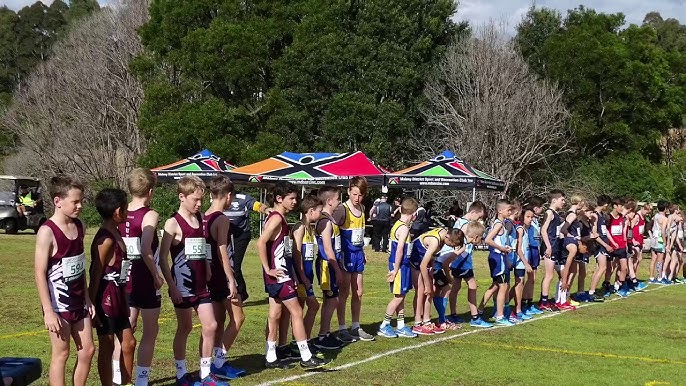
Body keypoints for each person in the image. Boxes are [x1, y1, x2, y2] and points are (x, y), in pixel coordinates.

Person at [158, 176, 227, 386]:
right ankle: (181, 374)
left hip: (201, 285)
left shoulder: (201, 220)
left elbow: (203, 247)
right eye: (195, 200)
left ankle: (205, 373)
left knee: (211, 325)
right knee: (185, 328)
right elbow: (162, 258)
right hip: (182, 286)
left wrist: (206, 266)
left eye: (201, 200)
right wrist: (171, 286)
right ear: (182, 197)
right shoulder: (173, 223)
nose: (199, 204)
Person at [257, 182, 330, 370]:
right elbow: (261, 242)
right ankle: (305, 355)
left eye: (296, 198)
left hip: (278, 274)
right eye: (291, 198)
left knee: (275, 314)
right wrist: (268, 269)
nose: (295, 202)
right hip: (279, 274)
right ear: (279, 199)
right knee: (297, 312)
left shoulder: (278, 218)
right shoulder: (276, 219)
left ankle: (271, 355)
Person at [34, 176, 95, 386]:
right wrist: (48, 311)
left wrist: (87, 297)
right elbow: (39, 272)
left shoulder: (80, 225)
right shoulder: (47, 232)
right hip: (58, 305)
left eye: (81, 201)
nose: (80, 206)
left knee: (87, 350)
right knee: (62, 353)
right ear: (58, 201)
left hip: (79, 301)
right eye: (75, 201)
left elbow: (80, 264)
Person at [116, 168, 163, 386]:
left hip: (124, 277)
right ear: (150, 191)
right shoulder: (150, 215)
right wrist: (156, 274)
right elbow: (146, 248)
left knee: (126, 328)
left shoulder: (119, 212)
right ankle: (141, 379)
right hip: (144, 277)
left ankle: (118, 377)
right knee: (150, 330)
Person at [89, 188, 135, 386]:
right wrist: (91, 305)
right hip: (105, 298)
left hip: (118, 295)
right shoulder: (105, 239)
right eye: (126, 208)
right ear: (117, 212)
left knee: (129, 342)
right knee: (106, 346)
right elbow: (95, 273)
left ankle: (126, 382)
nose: (128, 213)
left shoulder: (116, 231)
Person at [204, 176, 246, 380]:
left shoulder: (203, 216)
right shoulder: (221, 219)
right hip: (220, 275)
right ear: (229, 196)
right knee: (238, 318)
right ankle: (218, 362)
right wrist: (232, 280)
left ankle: (215, 363)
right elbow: (223, 251)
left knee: (219, 321)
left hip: (209, 275)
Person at [334, 177, 375, 342]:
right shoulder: (342, 209)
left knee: (358, 292)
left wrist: (363, 251)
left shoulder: (363, 208)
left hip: (358, 255)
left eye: (360, 195)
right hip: (346, 255)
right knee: (344, 292)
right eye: (355, 194)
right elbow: (331, 228)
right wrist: (337, 252)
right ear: (349, 191)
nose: (357, 198)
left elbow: (360, 231)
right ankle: (342, 328)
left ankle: (356, 326)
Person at [377, 197, 419, 338]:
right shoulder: (403, 229)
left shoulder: (398, 224)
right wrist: (395, 270)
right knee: (398, 297)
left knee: (401, 296)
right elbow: (400, 249)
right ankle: (385, 324)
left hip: (402, 265)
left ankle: (400, 325)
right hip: (399, 266)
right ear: (414, 215)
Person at [410, 226, 464, 335]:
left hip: (426, 263)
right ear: (448, 237)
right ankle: (417, 323)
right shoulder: (435, 241)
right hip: (416, 261)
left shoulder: (444, 237)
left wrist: (432, 277)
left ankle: (426, 321)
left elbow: (432, 258)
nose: (451, 247)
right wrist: (427, 285)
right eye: (452, 245)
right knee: (421, 291)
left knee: (431, 291)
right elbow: (422, 265)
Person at [312, 186, 345, 351]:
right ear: (330, 201)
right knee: (332, 300)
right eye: (338, 198)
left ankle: (325, 333)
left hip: (332, 264)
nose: (339, 201)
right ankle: (322, 335)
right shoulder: (325, 222)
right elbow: (327, 248)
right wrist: (337, 269)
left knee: (331, 300)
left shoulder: (329, 219)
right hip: (327, 266)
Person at [447, 201, 490, 328]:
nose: (480, 220)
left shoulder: (463, 223)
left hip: (463, 260)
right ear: (473, 212)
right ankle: (475, 317)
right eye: (479, 217)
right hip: (462, 260)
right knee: (472, 286)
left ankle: (453, 314)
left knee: (456, 287)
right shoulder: (463, 224)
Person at [223, 191, 271, 302]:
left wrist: (265, 209)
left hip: (241, 235)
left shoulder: (243, 197)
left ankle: (241, 293)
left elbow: (256, 205)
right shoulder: (219, 196)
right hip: (225, 235)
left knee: (235, 265)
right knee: (225, 264)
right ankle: (229, 291)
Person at [477, 199, 514, 326]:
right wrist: (502, 249)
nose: (510, 212)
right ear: (500, 210)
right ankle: (500, 316)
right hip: (498, 258)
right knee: (503, 287)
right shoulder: (498, 224)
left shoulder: (501, 223)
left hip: (500, 258)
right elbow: (488, 240)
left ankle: (480, 309)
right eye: (508, 209)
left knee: (495, 286)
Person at [292, 195, 323, 340]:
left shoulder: (310, 229)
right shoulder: (299, 228)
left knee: (305, 307)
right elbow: (296, 254)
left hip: (307, 276)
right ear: (311, 211)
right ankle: (300, 340)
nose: (321, 214)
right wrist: (302, 277)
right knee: (311, 306)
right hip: (301, 277)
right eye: (319, 211)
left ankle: (303, 339)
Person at [538, 190, 566, 312]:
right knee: (549, 275)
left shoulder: (556, 214)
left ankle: (546, 300)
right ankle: (544, 301)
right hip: (550, 248)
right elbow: (543, 230)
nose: (564, 202)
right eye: (562, 200)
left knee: (553, 275)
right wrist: (548, 246)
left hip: (555, 246)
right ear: (554, 200)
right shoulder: (549, 213)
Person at [587, 195, 613, 302]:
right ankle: (592, 292)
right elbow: (594, 233)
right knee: (602, 268)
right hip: (600, 245)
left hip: (604, 243)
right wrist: (605, 245)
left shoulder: (602, 215)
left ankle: (592, 291)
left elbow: (604, 230)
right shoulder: (595, 215)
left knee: (599, 268)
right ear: (605, 204)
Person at [523, 197, 544, 315]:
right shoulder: (527, 221)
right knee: (530, 278)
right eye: (541, 208)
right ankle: (523, 302)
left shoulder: (535, 221)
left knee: (533, 279)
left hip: (535, 249)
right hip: (530, 249)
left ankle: (529, 303)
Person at [607, 197, 630, 298]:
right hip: (611, 246)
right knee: (609, 269)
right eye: (620, 206)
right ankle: (607, 286)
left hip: (621, 246)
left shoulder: (622, 217)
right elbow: (606, 231)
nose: (622, 208)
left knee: (624, 268)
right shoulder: (608, 217)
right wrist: (612, 242)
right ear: (615, 206)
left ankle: (620, 286)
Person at [649, 200, 669, 284]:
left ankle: (651, 277)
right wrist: (665, 243)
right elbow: (663, 231)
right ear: (665, 209)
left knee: (653, 260)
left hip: (654, 239)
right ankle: (659, 277)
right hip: (660, 240)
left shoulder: (656, 216)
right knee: (660, 260)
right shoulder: (664, 219)